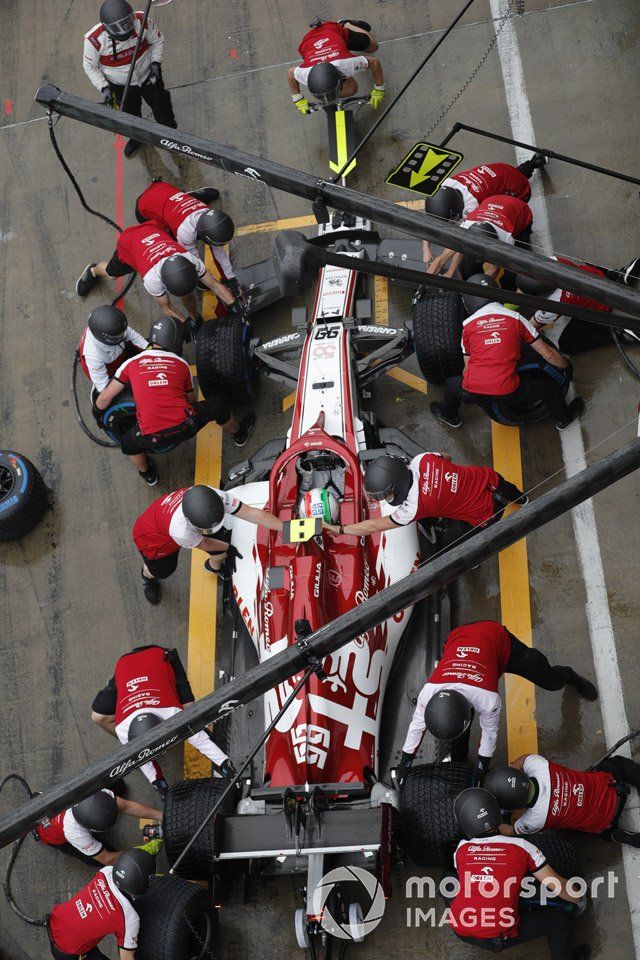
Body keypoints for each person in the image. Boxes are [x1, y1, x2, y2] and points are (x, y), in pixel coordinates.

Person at [397, 620, 598, 787]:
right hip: (458, 638)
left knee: (550, 681)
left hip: (497, 640)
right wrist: (404, 764)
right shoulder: (428, 693)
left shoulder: (487, 698)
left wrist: (482, 768)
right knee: (458, 731)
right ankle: (460, 762)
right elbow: (417, 726)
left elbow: (490, 734)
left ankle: (570, 675)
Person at [95, 317, 256, 486]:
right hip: (187, 426)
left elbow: (105, 398)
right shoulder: (181, 363)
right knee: (217, 406)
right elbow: (190, 401)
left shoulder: (130, 363)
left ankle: (148, 475)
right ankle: (239, 434)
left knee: (128, 444)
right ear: (175, 340)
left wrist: (97, 414)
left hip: (152, 437)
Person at [429, 274, 584, 432]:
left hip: (471, 389)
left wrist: (473, 393)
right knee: (550, 388)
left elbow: (467, 368)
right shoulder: (515, 318)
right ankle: (564, 418)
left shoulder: (467, 326)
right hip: (507, 391)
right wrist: (566, 365)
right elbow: (549, 354)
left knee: (451, 385)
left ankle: (449, 416)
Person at [449, 788, 589, 959]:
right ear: (497, 814)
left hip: (460, 927)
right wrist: (580, 899)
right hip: (500, 934)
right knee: (559, 921)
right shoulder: (522, 847)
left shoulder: (461, 849)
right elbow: (559, 886)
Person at [91, 644, 233, 797]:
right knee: (97, 717)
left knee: (192, 712)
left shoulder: (172, 713)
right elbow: (143, 761)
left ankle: (182, 734)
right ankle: (146, 749)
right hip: (126, 666)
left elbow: (200, 740)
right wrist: (160, 786)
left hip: (160, 656)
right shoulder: (122, 730)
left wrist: (225, 764)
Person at [75, 221, 241, 335]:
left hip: (153, 230)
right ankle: (94, 270)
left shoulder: (189, 259)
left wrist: (235, 305)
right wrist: (185, 323)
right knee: (112, 274)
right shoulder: (152, 279)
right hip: (129, 242)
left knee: (187, 295)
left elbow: (214, 284)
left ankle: (196, 317)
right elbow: (166, 307)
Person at [132, 483, 283, 603]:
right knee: (164, 571)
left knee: (221, 549)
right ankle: (147, 575)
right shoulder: (181, 531)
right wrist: (229, 548)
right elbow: (204, 543)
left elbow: (251, 513)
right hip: (153, 540)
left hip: (171, 521)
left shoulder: (213, 496)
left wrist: (288, 528)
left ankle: (213, 567)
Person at [323, 452, 526, 539]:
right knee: (513, 491)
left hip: (486, 513)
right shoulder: (422, 459)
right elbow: (447, 456)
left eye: (386, 494)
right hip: (491, 480)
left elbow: (374, 526)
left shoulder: (412, 508)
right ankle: (524, 500)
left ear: (395, 488)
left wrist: (339, 529)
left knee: (456, 539)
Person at [83, 0, 177, 158]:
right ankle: (137, 138)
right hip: (120, 85)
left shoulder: (142, 20)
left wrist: (155, 63)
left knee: (162, 106)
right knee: (130, 114)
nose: (126, 29)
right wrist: (104, 87)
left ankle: (172, 136)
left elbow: (157, 41)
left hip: (148, 75)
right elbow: (89, 67)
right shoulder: (94, 41)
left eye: (128, 23)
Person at [485, 752, 640, 847]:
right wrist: (509, 776)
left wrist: (489, 822)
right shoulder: (538, 765)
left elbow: (511, 832)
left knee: (570, 827)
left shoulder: (532, 821)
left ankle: (613, 834)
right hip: (615, 788)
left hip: (606, 822)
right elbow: (524, 759)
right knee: (616, 763)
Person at [135, 179, 240, 314]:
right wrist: (208, 281)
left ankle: (188, 196)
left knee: (180, 201)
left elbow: (219, 251)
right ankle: (188, 196)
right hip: (144, 208)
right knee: (167, 242)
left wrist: (231, 279)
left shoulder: (206, 213)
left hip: (165, 189)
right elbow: (194, 262)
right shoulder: (184, 232)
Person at [47, 845, 157, 960]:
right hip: (68, 951)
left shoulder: (106, 872)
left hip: (55, 919)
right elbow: (126, 957)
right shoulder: (129, 917)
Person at [35, 789, 162, 866]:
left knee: (119, 785)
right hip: (52, 835)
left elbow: (127, 806)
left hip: (64, 810)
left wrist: (163, 816)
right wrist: (147, 849)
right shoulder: (74, 833)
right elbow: (107, 859)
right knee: (107, 861)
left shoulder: (93, 792)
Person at [288, 19, 385, 114]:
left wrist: (379, 89)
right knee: (351, 89)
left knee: (373, 46)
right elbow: (290, 73)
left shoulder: (347, 64)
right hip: (308, 40)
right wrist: (298, 100)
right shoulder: (305, 72)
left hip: (332, 30)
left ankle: (346, 24)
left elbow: (374, 63)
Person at [516, 259, 613, 352]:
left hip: (600, 306)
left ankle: (613, 333)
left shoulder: (553, 306)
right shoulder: (552, 261)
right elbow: (527, 285)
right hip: (597, 276)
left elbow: (531, 326)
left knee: (566, 345)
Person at [427, 195, 533, 280]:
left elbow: (494, 269)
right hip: (493, 200)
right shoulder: (465, 228)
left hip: (520, 210)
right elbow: (443, 258)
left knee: (515, 269)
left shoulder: (506, 240)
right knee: (467, 263)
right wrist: (449, 272)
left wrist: (478, 287)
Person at [425, 157, 546, 221]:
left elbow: (468, 234)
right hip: (502, 169)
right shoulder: (448, 183)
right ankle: (534, 162)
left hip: (519, 190)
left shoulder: (471, 207)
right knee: (509, 178)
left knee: (502, 219)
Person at [78, 305, 149, 393]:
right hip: (109, 370)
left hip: (118, 356)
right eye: (118, 336)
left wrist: (151, 350)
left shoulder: (116, 329)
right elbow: (104, 388)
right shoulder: (93, 356)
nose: (123, 336)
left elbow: (134, 337)